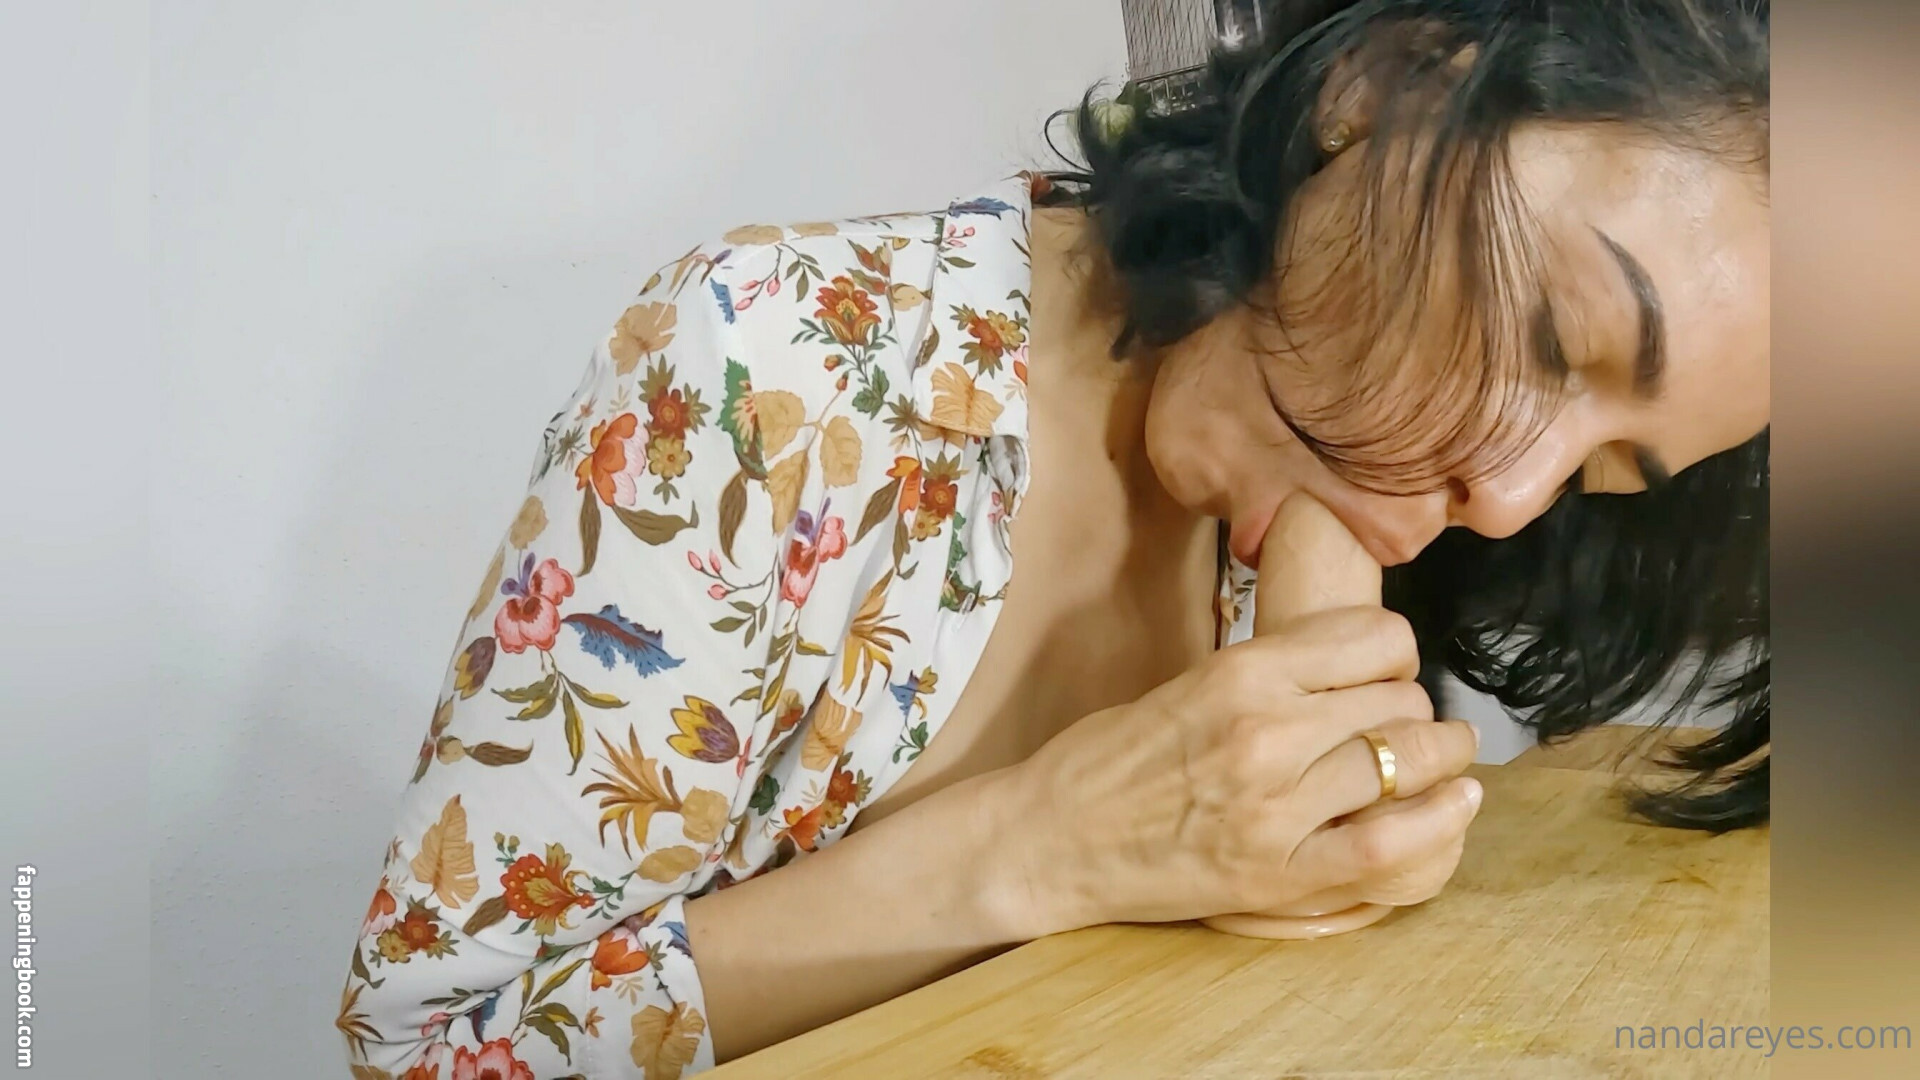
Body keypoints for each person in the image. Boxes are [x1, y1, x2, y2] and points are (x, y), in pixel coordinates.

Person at [336, 2, 1769, 1076]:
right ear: (1380, 87)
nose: (1513, 495)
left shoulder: (1344, 484)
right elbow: (429, 1049)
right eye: (1553, 334)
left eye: (1611, 471)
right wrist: (1045, 845)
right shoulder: (773, 372)